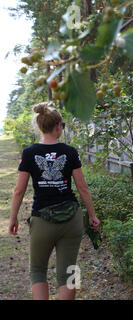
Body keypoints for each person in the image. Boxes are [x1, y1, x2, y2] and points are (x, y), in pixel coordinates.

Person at [8, 102, 100, 300]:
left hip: (42, 220)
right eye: (62, 126)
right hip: (71, 220)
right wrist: (92, 215)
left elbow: (19, 191)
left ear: (41, 126)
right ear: (58, 126)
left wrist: (13, 218)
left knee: (38, 270)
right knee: (69, 273)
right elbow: (82, 188)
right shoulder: (70, 152)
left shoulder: (29, 153)